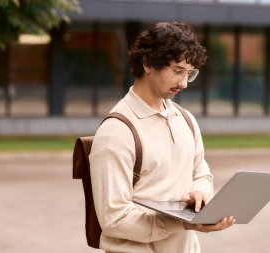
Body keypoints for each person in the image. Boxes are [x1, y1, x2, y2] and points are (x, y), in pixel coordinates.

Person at [89, 21, 235, 253]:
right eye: (177, 71)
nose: (184, 83)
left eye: (190, 73)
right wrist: (184, 222)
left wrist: (202, 195)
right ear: (148, 63)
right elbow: (114, 219)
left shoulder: (185, 119)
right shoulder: (116, 133)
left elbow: (202, 173)